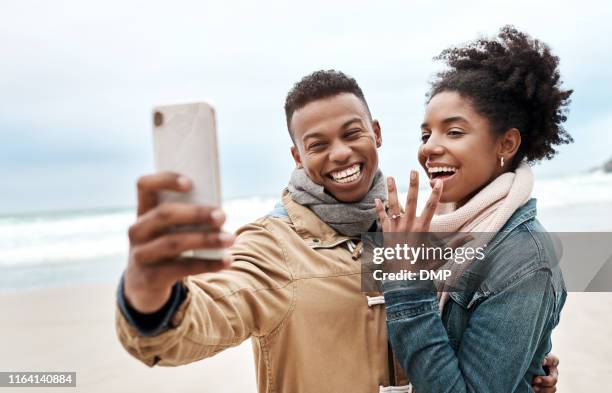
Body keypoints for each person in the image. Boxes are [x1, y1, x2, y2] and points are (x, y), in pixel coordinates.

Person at [115, 70, 559, 392]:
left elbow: (495, 308)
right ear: (297, 156)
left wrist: (522, 368)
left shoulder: (415, 227)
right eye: (317, 144)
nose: (341, 154)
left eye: (352, 134)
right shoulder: (272, 245)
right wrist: (148, 295)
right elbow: (195, 324)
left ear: (377, 134)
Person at [374, 26, 569, 392]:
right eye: (425, 134)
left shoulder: (525, 259)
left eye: (454, 132)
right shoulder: (432, 230)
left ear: (507, 143)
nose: (430, 147)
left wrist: (406, 281)